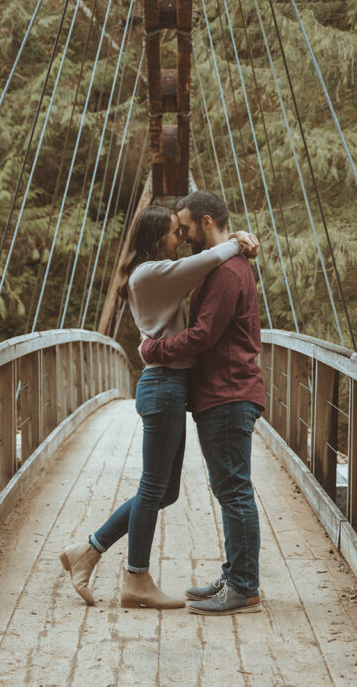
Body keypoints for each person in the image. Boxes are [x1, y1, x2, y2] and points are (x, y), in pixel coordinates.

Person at [60, 204, 258, 609]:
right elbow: (210, 258)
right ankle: (136, 577)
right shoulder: (150, 273)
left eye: (183, 230)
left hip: (172, 386)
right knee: (155, 487)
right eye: (173, 232)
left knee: (163, 491)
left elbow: (206, 262)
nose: (180, 239)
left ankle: (90, 550)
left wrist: (237, 240)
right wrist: (239, 240)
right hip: (164, 385)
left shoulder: (163, 274)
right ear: (155, 239)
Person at [140, 190, 265, 615]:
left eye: (187, 226)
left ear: (208, 222)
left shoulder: (227, 271)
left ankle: (244, 586)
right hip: (220, 392)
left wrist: (152, 350)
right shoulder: (221, 265)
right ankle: (236, 575)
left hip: (229, 393)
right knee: (229, 487)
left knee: (233, 489)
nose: (185, 234)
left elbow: (204, 335)